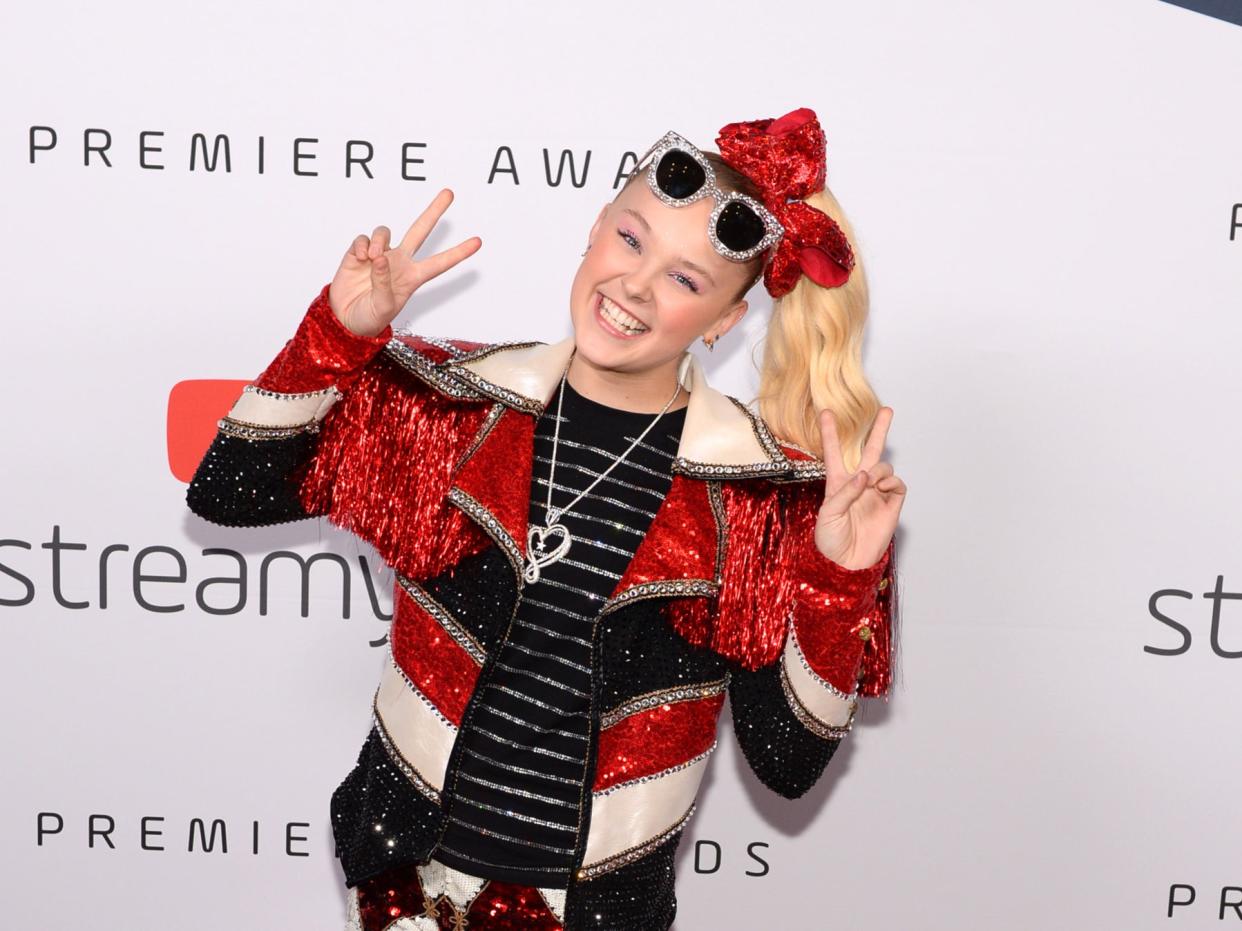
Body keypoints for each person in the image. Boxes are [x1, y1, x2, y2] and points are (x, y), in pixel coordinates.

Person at [186, 106, 907, 931]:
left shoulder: (764, 502)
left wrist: (836, 582)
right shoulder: (451, 406)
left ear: (722, 323)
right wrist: (337, 333)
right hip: (401, 887)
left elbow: (786, 763)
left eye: (684, 279)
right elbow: (229, 490)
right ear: (595, 228)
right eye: (631, 240)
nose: (634, 284)